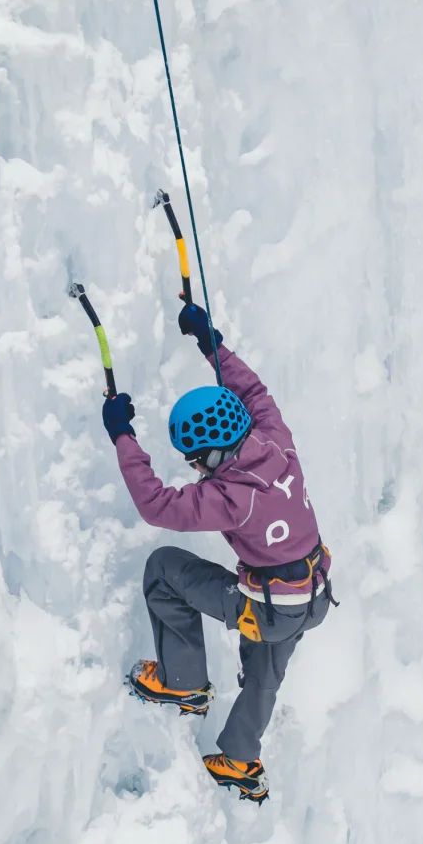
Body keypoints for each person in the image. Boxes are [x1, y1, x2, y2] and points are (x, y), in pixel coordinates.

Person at [102, 303, 334, 803]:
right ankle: (240, 761)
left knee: (163, 569)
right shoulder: (276, 440)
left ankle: (181, 681)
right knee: (265, 669)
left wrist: (122, 436)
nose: (194, 471)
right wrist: (212, 344)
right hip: (312, 596)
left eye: (193, 462)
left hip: (269, 607)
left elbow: (157, 504)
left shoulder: (229, 497)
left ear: (207, 456)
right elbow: (254, 393)